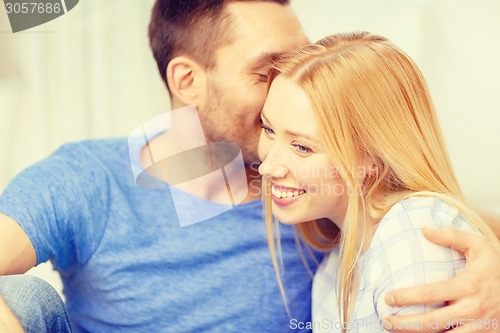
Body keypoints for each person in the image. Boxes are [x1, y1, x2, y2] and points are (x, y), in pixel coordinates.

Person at [0, 1, 498, 332]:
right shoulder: (89, 180)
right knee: (26, 297)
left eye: (299, 66)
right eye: (267, 71)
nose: (292, 89)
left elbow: (425, 208)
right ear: (188, 80)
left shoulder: (319, 189)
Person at [258, 31, 500, 333]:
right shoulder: (329, 275)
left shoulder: (412, 230)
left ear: (371, 157)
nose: (267, 166)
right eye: (267, 129)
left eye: (302, 147)